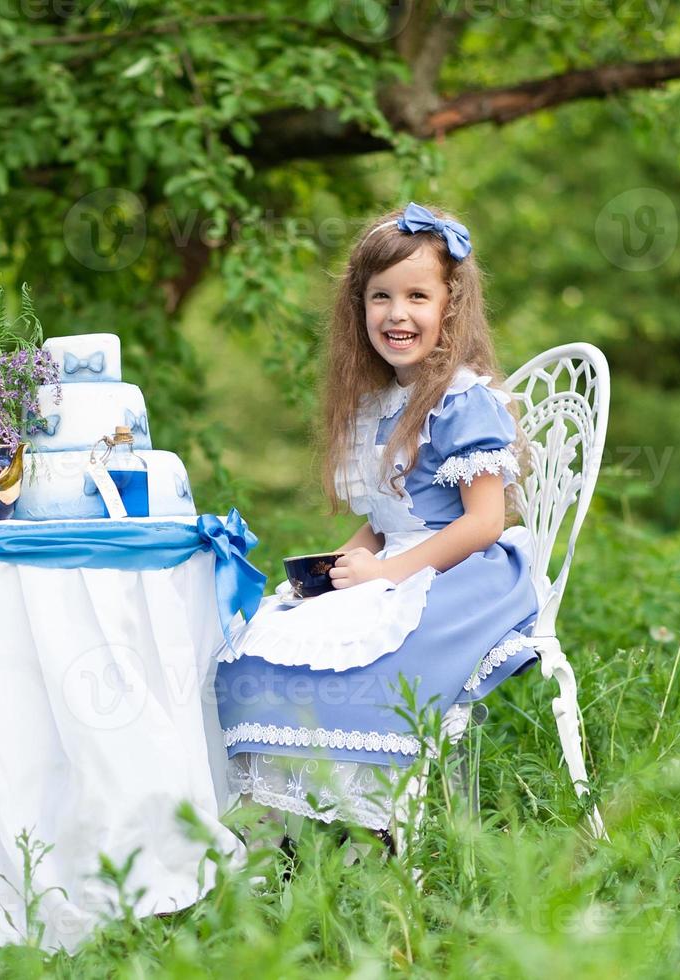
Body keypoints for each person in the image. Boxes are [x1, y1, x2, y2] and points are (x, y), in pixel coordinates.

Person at [215, 202, 541, 833]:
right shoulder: (380, 402)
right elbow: (384, 519)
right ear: (359, 308)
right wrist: (341, 567)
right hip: (399, 561)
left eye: (417, 295)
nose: (397, 314)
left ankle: (379, 820)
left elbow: (483, 524)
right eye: (380, 297)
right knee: (260, 642)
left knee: (363, 656)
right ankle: (296, 826)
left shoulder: (464, 399)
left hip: (464, 571)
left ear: (450, 304)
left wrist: (386, 574)